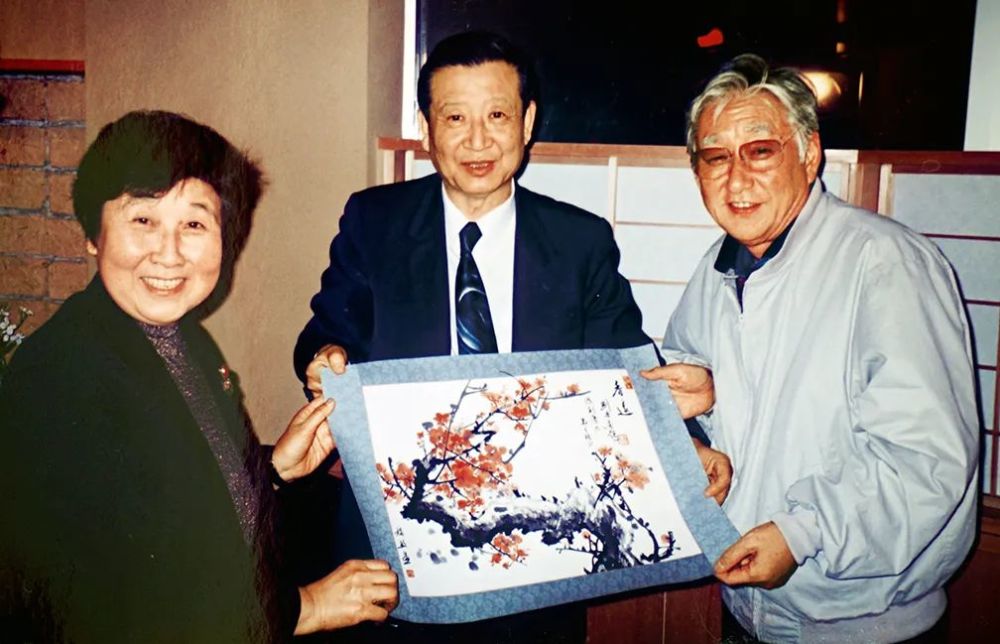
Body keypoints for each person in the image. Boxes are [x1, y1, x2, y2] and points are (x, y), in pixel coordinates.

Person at [294, 31, 726, 642]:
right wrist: (322, 357)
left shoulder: (580, 242)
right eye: (455, 118)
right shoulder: (374, 222)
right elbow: (326, 329)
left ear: (526, 123)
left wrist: (689, 445)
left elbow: (632, 369)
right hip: (396, 539)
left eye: (497, 115)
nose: (478, 140)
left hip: (537, 542)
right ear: (426, 128)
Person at [0, 111, 398, 642]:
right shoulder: (60, 378)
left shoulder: (179, 337)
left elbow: (177, 499)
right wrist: (303, 608)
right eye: (143, 220)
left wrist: (275, 469)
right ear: (93, 235)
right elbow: (117, 605)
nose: (168, 254)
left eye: (193, 224)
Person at [661, 54, 979, 642]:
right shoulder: (718, 266)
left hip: (864, 621)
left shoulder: (884, 262)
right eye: (716, 157)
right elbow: (694, 370)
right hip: (746, 605)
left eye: (760, 151)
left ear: (809, 153)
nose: (736, 180)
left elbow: (926, 459)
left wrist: (802, 532)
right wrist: (698, 430)